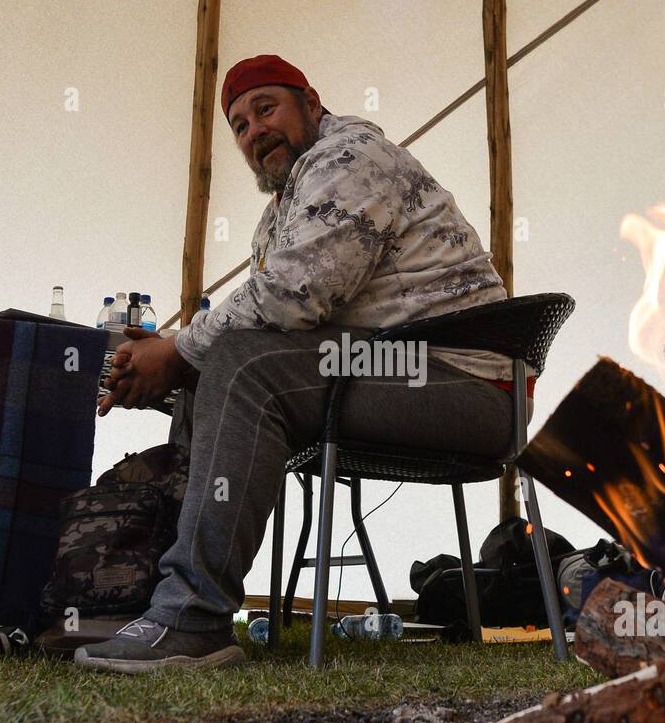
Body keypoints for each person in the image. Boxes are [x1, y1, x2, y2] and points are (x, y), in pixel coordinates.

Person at [75, 55, 529, 673]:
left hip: (468, 386)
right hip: (389, 369)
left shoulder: (350, 160)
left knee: (243, 369)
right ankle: (147, 600)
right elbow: (271, 319)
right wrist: (173, 364)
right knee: (217, 369)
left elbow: (292, 296)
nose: (254, 131)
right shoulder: (285, 206)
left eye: (266, 109)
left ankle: (193, 617)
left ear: (311, 103)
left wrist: (176, 351)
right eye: (240, 125)